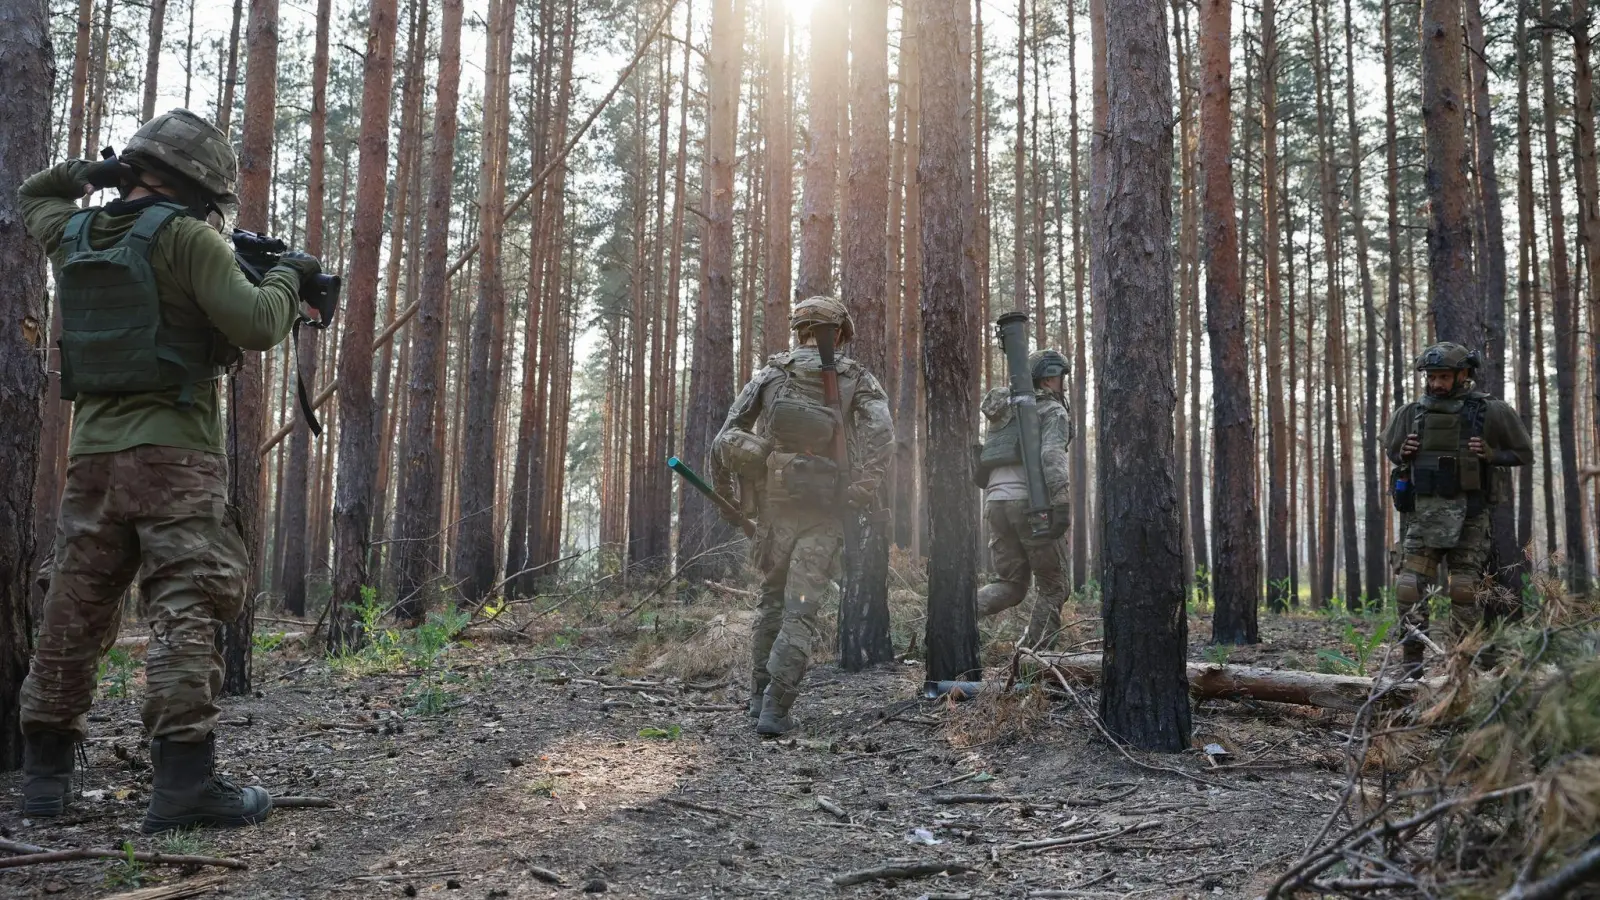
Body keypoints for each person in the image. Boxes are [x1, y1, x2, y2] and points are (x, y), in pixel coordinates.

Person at [17, 109, 323, 832]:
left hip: (91, 457)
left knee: (72, 611)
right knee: (186, 608)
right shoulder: (189, 238)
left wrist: (92, 176)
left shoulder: (77, 230)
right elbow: (255, 324)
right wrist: (288, 275)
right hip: (175, 456)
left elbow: (36, 195)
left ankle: (43, 786)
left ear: (138, 166)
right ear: (200, 185)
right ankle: (184, 782)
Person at [710, 296, 894, 737]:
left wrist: (730, 500)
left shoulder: (772, 373)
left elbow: (726, 435)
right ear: (840, 331)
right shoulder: (855, 376)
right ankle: (776, 707)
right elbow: (882, 435)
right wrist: (862, 488)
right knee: (800, 610)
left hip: (775, 509)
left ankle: (758, 700)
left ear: (800, 329)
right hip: (827, 511)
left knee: (770, 602)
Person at [1381, 342, 1531, 669]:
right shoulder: (1410, 413)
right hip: (1422, 516)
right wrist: (1403, 451)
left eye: (1444, 376)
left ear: (1463, 374)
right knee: (1408, 588)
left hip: (1471, 515)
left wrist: (1491, 454)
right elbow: (1392, 453)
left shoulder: (1490, 411)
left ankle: (1462, 669)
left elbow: (1524, 454)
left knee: (1464, 590)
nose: (1436, 384)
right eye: (1432, 376)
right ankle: (1412, 666)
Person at [973, 349, 1073, 647]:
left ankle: (952, 620)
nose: (1062, 384)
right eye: (1060, 378)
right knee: (1054, 587)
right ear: (1050, 378)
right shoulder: (1052, 411)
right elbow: (1051, 455)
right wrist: (1062, 503)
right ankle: (1035, 660)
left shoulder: (1003, 413)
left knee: (1011, 585)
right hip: (1031, 506)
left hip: (995, 504)